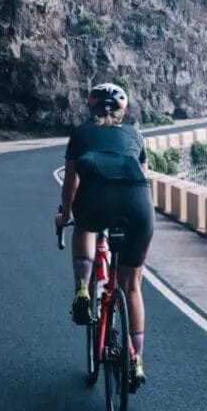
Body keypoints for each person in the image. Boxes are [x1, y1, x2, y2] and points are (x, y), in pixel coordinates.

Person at [55, 82, 154, 390]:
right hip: (139, 209)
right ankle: (136, 361)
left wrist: (66, 214)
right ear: (123, 111)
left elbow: (71, 183)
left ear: (91, 107)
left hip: (97, 204)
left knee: (84, 225)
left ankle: (83, 290)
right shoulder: (136, 136)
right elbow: (142, 177)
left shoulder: (82, 134)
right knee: (132, 286)